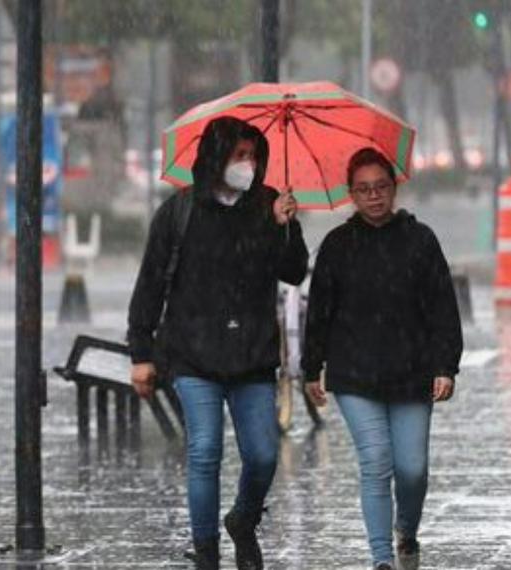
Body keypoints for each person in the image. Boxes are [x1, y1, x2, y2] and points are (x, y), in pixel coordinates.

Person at [128, 116, 308, 570]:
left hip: (252, 356)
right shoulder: (180, 212)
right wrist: (141, 354)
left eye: (253, 156)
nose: (248, 165)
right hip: (192, 355)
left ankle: (243, 520)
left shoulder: (267, 205)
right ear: (215, 157)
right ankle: (206, 551)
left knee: (263, 454)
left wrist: (286, 226)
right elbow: (150, 284)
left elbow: (292, 271)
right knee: (205, 450)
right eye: (239, 155)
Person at [302, 147, 463, 570]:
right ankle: (380, 559)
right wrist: (310, 367)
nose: (374, 196)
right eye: (363, 189)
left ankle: (406, 530)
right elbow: (318, 310)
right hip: (354, 375)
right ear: (351, 195)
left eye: (381, 187)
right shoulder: (337, 246)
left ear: (394, 188)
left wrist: (445, 365)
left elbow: (443, 307)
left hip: (412, 374)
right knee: (376, 462)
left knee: (412, 469)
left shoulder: (420, 240)